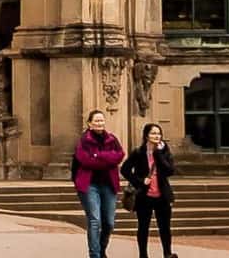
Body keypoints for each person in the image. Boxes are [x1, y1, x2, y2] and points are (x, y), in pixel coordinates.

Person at [74, 108, 125, 258]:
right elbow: (85, 160)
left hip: (109, 185)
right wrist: (106, 159)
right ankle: (94, 254)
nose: (99, 123)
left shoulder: (112, 139)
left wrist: (98, 156)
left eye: (101, 120)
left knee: (109, 222)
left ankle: (102, 249)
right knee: (95, 220)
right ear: (89, 124)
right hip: (90, 185)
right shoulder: (84, 141)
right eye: (96, 120)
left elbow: (120, 155)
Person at [120, 120, 175, 258]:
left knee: (165, 227)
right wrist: (139, 181)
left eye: (159, 134)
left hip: (162, 195)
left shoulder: (165, 151)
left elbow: (170, 171)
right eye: (153, 133)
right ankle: (143, 255)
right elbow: (125, 170)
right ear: (146, 136)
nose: (157, 136)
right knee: (143, 227)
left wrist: (159, 155)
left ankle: (167, 253)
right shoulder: (138, 153)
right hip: (144, 195)